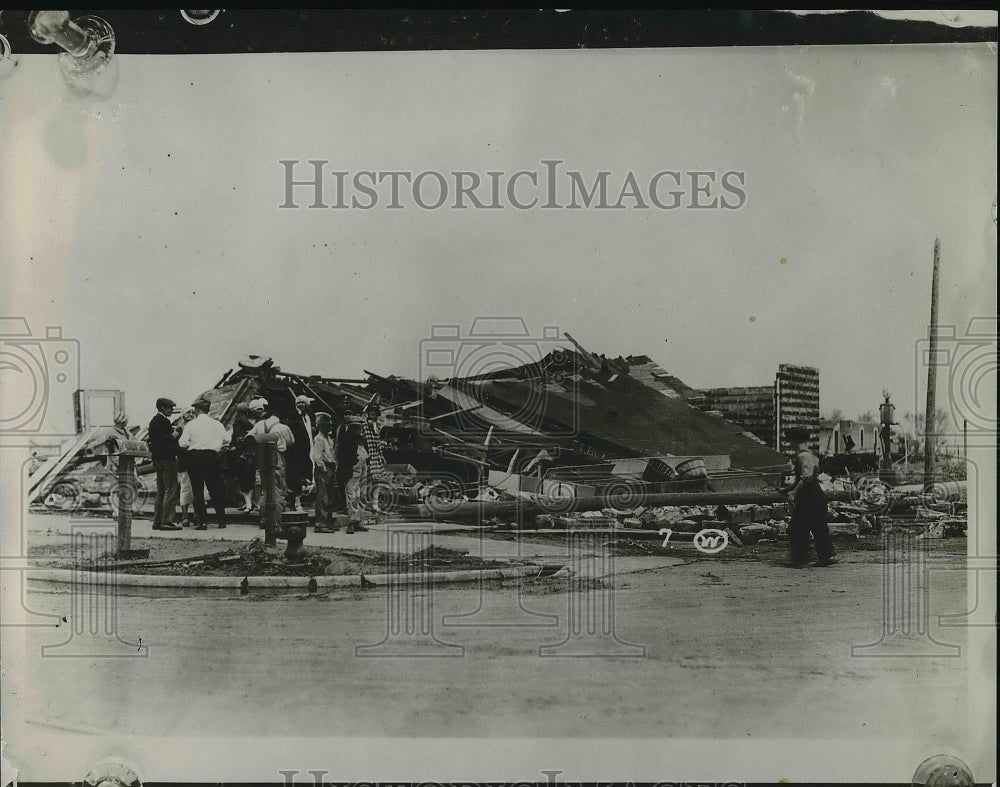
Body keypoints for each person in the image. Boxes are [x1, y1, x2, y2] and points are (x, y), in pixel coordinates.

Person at [782, 426, 837, 568]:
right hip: (816, 497)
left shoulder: (803, 456)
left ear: (795, 440)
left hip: (809, 498)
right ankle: (826, 556)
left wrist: (793, 493)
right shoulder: (811, 455)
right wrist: (787, 489)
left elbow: (806, 477)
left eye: (790, 440)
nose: (789, 443)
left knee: (797, 527)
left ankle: (800, 558)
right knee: (819, 527)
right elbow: (804, 478)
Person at [179, 398, 231, 530]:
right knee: (215, 489)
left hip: (195, 457)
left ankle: (202, 522)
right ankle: (221, 520)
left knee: (198, 491)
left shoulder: (191, 425)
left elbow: (182, 443)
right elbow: (227, 439)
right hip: (212, 457)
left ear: (196, 410)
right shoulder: (217, 424)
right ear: (208, 410)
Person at [249, 398, 294, 516]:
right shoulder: (282, 427)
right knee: (278, 487)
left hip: (262, 457)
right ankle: (276, 516)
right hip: (277, 457)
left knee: (265, 488)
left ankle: (264, 516)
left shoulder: (258, 425)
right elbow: (290, 442)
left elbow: (249, 438)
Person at [147, 397, 182, 531]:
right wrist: (178, 432)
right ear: (163, 408)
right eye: (170, 408)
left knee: (161, 491)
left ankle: (157, 522)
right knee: (171, 490)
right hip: (168, 460)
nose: (172, 410)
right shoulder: (164, 421)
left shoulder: (153, 421)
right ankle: (167, 521)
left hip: (157, 460)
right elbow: (170, 441)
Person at [311, 412, 340, 533]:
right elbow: (317, 457)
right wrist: (323, 469)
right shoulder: (318, 439)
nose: (328, 428)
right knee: (323, 497)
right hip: (324, 468)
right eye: (325, 426)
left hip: (331, 467)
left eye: (329, 426)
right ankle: (320, 523)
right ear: (320, 427)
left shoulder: (329, 439)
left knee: (331, 496)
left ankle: (328, 521)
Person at [286, 394, 315, 511]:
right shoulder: (294, 416)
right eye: (299, 403)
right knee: (296, 475)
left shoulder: (309, 417)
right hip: (297, 450)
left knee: (308, 472)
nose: (301, 405)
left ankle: (300, 499)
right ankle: (296, 503)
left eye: (303, 402)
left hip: (309, 446)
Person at [342, 420, 370, 534]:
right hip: (352, 469)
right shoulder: (347, 440)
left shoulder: (362, 440)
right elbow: (344, 457)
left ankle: (359, 520)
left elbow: (366, 453)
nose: (359, 430)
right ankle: (352, 521)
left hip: (363, 467)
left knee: (362, 494)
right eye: (357, 428)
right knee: (352, 495)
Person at [174, 407, 197, 526]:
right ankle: (185, 515)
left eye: (193, 412)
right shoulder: (180, 429)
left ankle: (197, 514)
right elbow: (173, 442)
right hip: (185, 462)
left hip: (197, 462)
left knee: (198, 489)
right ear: (183, 415)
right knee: (185, 488)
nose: (191, 414)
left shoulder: (197, 427)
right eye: (188, 412)